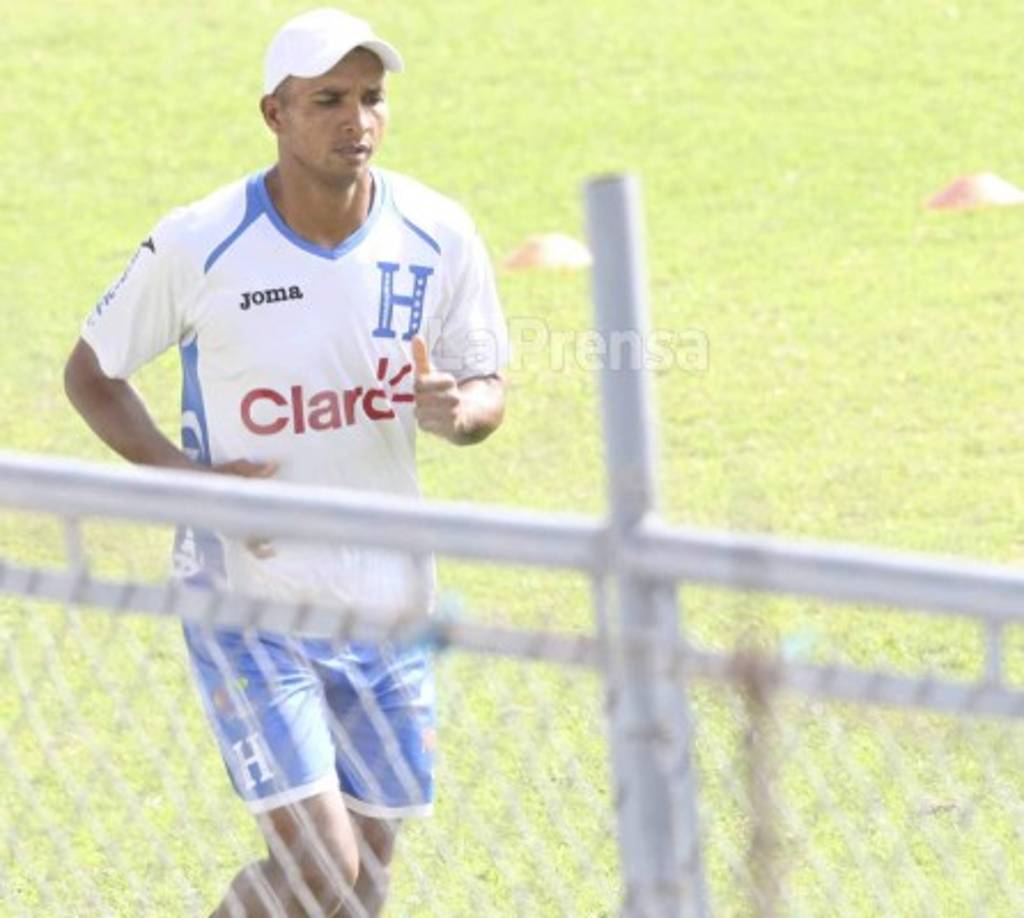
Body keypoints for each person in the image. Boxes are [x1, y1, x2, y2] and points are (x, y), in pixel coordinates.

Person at [63, 7, 508, 915]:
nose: (359, 122)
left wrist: (460, 410)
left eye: (373, 99)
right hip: (248, 599)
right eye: (329, 101)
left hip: (389, 599)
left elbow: (486, 387)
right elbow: (91, 375)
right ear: (275, 113)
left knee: (364, 884)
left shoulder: (437, 232)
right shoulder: (201, 241)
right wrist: (193, 488)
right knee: (320, 869)